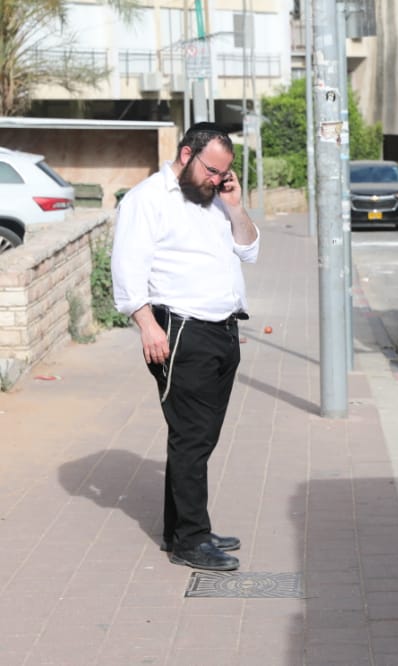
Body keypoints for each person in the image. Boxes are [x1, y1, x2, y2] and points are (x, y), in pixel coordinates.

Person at [111, 122, 260, 572]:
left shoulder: (215, 200)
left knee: (200, 437)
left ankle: (183, 528)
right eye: (212, 170)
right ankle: (191, 542)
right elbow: (127, 267)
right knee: (192, 436)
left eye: (223, 173)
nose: (217, 179)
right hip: (180, 331)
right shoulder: (147, 199)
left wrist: (234, 206)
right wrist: (146, 326)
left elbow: (250, 250)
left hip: (224, 330)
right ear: (185, 154)